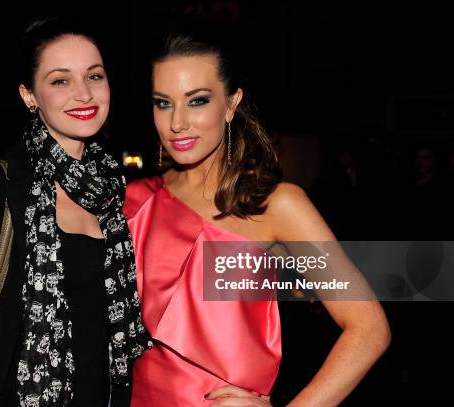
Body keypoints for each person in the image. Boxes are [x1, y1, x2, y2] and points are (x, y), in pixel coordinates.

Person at [123, 27, 391, 406]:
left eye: (197, 100)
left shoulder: (277, 206)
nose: (177, 122)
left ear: (231, 104)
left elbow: (369, 329)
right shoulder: (134, 201)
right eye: (163, 103)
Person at [0, 17, 151, 407]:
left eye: (94, 76)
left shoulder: (118, 197)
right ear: (29, 96)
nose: (84, 94)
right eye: (60, 80)